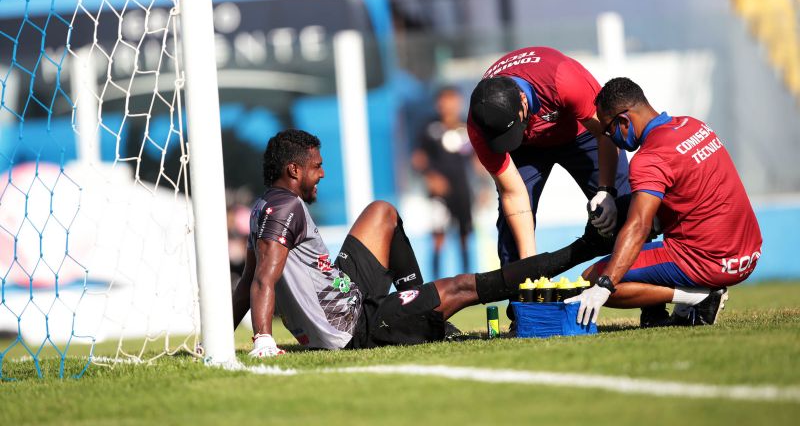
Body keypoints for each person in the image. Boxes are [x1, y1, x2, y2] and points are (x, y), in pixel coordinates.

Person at [231, 129, 606, 357]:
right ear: (294, 170)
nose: (322, 173)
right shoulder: (287, 209)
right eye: (316, 166)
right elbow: (262, 278)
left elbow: (248, 280)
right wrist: (263, 339)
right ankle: (586, 246)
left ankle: (416, 302)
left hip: (346, 292)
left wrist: (218, 335)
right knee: (462, 286)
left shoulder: (264, 206)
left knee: (382, 212)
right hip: (354, 326)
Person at [565, 77, 763, 327]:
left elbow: (639, 226)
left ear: (624, 121)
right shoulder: (694, 126)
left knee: (590, 278)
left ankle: (698, 298)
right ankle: (682, 306)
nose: (609, 138)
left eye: (608, 130)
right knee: (633, 217)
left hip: (709, 262)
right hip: (748, 255)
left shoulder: (649, 158)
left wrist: (605, 286)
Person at [468, 46, 631, 265]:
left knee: (624, 205)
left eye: (512, 127)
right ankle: (519, 294)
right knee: (511, 228)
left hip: (583, 133)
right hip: (527, 149)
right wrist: (528, 268)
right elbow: (512, 193)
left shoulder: (562, 79)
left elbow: (606, 132)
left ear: (523, 102)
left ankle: (646, 287)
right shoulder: (479, 127)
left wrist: (606, 191)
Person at [411, 85, 474, 279]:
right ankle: (437, 284)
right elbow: (417, 159)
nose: (447, 105)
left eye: (451, 100)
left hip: (462, 190)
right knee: (438, 236)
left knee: (464, 236)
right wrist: (431, 177)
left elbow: (477, 159)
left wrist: (485, 186)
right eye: (443, 100)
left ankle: (467, 281)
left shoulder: (467, 128)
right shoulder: (429, 128)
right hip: (439, 192)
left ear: (459, 102)